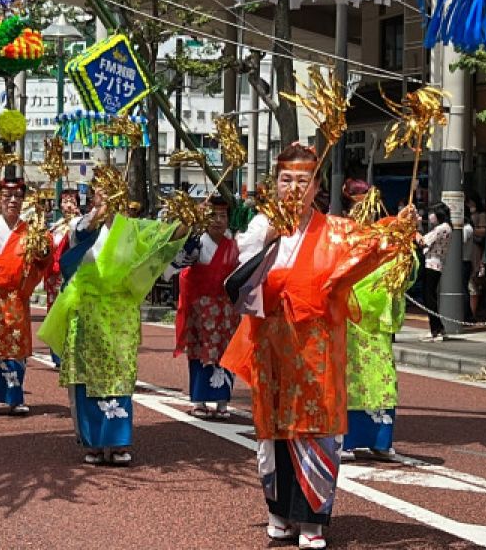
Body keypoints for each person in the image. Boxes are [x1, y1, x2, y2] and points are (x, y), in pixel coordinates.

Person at [221, 143, 407, 550]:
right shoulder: (259, 228)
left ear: (317, 187)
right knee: (273, 434)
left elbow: (372, 245)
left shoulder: (337, 231)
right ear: (274, 184)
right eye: (285, 179)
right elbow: (240, 284)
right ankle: (279, 514)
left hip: (318, 348)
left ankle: (312, 520)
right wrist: (268, 235)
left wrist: (399, 228)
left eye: (302, 181)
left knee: (316, 431)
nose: (292, 188)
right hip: (272, 346)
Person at [38, 179, 186, 466]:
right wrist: (96, 217)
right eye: (101, 194)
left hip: (120, 314)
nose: (107, 199)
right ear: (94, 198)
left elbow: (165, 240)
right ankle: (93, 443)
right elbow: (80, 237)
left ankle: (117, 443)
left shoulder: (132, 230)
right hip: (87, 311)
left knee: (120, 373)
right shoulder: (80, 225)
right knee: (87, 376)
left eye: (113, 192)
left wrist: (187, 221)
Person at [342, 184, 416, 463]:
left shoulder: (388, 239)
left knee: (383, 380)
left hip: (377, 322)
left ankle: (380, 440)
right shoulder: (342, 239)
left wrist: (406, 236)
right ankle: (346, 440)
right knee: (351, 380)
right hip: (350, 319)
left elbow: (406, 271)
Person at [0, 180, 52, 416]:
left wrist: (43, 250)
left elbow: (43, 260)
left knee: (15, 347)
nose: (13, 200)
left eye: (17, 196)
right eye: (7, 195)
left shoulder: (31, 231)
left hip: (16, 296)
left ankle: (15, 398)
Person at [165, 195, 239, 418]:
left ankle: (223, 401)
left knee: (226, 353)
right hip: (201, 310)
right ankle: (199, 401)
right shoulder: (198, 243)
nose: (218, 221)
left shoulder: (235, 244)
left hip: (226, 310)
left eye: (223, 216)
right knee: (200, 353)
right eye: (213, 216)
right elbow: (177, 265)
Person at [416, 202, 452, 342]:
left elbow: (423, 242)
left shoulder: (441, 228)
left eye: (433, 213)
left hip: (431, 264)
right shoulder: (447, 228)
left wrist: (416, 230)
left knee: (429, 298)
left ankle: (435, 330)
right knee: (430, 297)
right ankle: (438, 328)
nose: (430, 216)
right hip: (437, 264)